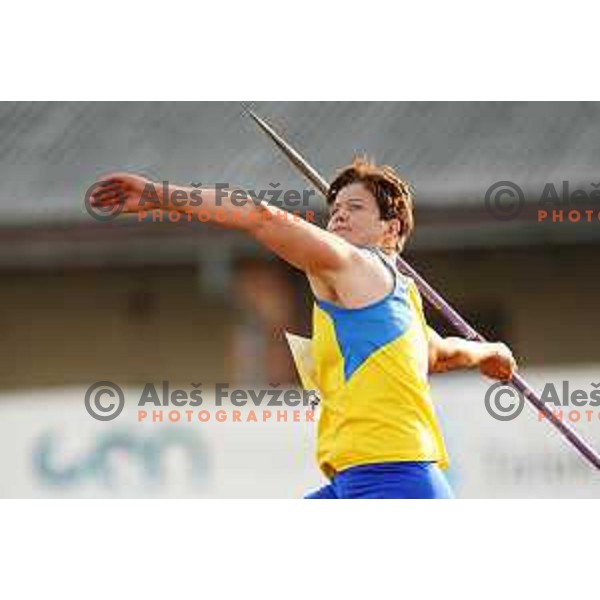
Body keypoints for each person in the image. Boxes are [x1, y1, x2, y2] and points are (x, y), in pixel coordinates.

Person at [89, 157, 517, 498]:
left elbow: (261, 217)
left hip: (395, 482)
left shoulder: (355, 265)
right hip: (356, 482)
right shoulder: (396, 297)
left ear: (391, 229)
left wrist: (159, 195)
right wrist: (492, 352)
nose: (338, 218)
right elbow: (440, 353)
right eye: (334, 210)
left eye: (355, 208)